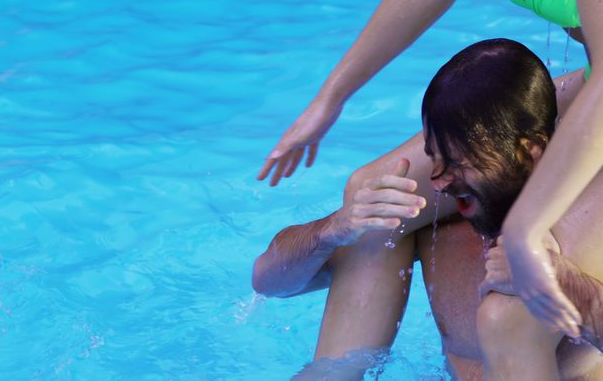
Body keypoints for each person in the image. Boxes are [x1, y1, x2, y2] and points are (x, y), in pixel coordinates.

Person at [258, 0, 603, 348]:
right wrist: (330, 100)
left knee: (513, 306)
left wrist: (526, 230)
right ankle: (338, 370)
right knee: (375, 194)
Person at [253, 39, 603, 379]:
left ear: (530, 152)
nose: (439, 181)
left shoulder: (588, 226)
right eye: (435, 159)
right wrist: (331, 230)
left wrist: (564, 284)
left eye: (460, 163)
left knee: (511, 311)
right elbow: (267, 282)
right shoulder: (430, 221)